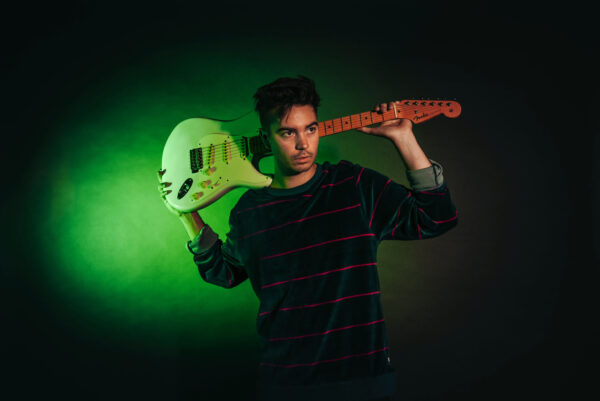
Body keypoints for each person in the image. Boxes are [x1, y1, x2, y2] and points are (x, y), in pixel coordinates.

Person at [158, 76, 458, 401]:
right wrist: (186, 214)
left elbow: (437, 217)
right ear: (265, 138)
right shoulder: (248, 211)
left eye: (310, 129)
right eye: (288, 132)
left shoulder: (354, 185)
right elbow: (223, 272)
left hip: (362, 381)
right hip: (285, 384)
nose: (303, 144)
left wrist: (404, 138)